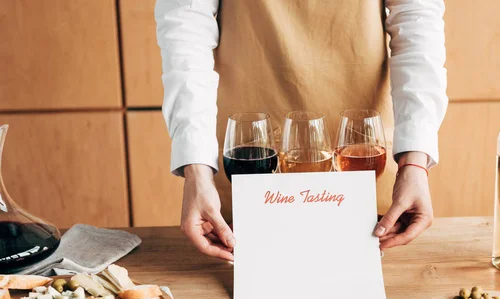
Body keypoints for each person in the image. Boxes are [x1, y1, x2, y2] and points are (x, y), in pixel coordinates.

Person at [155, 0, 448, 261]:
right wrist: (196, 167)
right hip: (252, 152)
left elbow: (416, 20)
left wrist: (414, 162)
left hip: (361, 154)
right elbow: (186, 25)